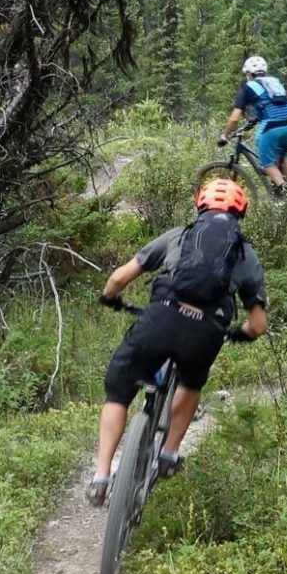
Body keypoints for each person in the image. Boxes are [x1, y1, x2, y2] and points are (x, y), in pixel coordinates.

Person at [86, 175, 269, 506]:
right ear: (240, 214)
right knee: (191, 381)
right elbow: (258, 325)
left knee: (118, 392)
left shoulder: (179, 236)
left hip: (161, 319)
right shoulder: (245, 253)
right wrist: (237, 334)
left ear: (199, 206)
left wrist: (110, 298)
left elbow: (118, 278)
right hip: (204, 333)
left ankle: (101, 476)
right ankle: (169, 453)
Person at [225, 53, 287, 195]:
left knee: (266, 163)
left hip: (272, 124)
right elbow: (274, 105)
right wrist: (251, 123)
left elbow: (234, 119)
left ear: (248, 74)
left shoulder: (248, 87)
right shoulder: (274, 82)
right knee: (281, 157)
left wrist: (224, 135)